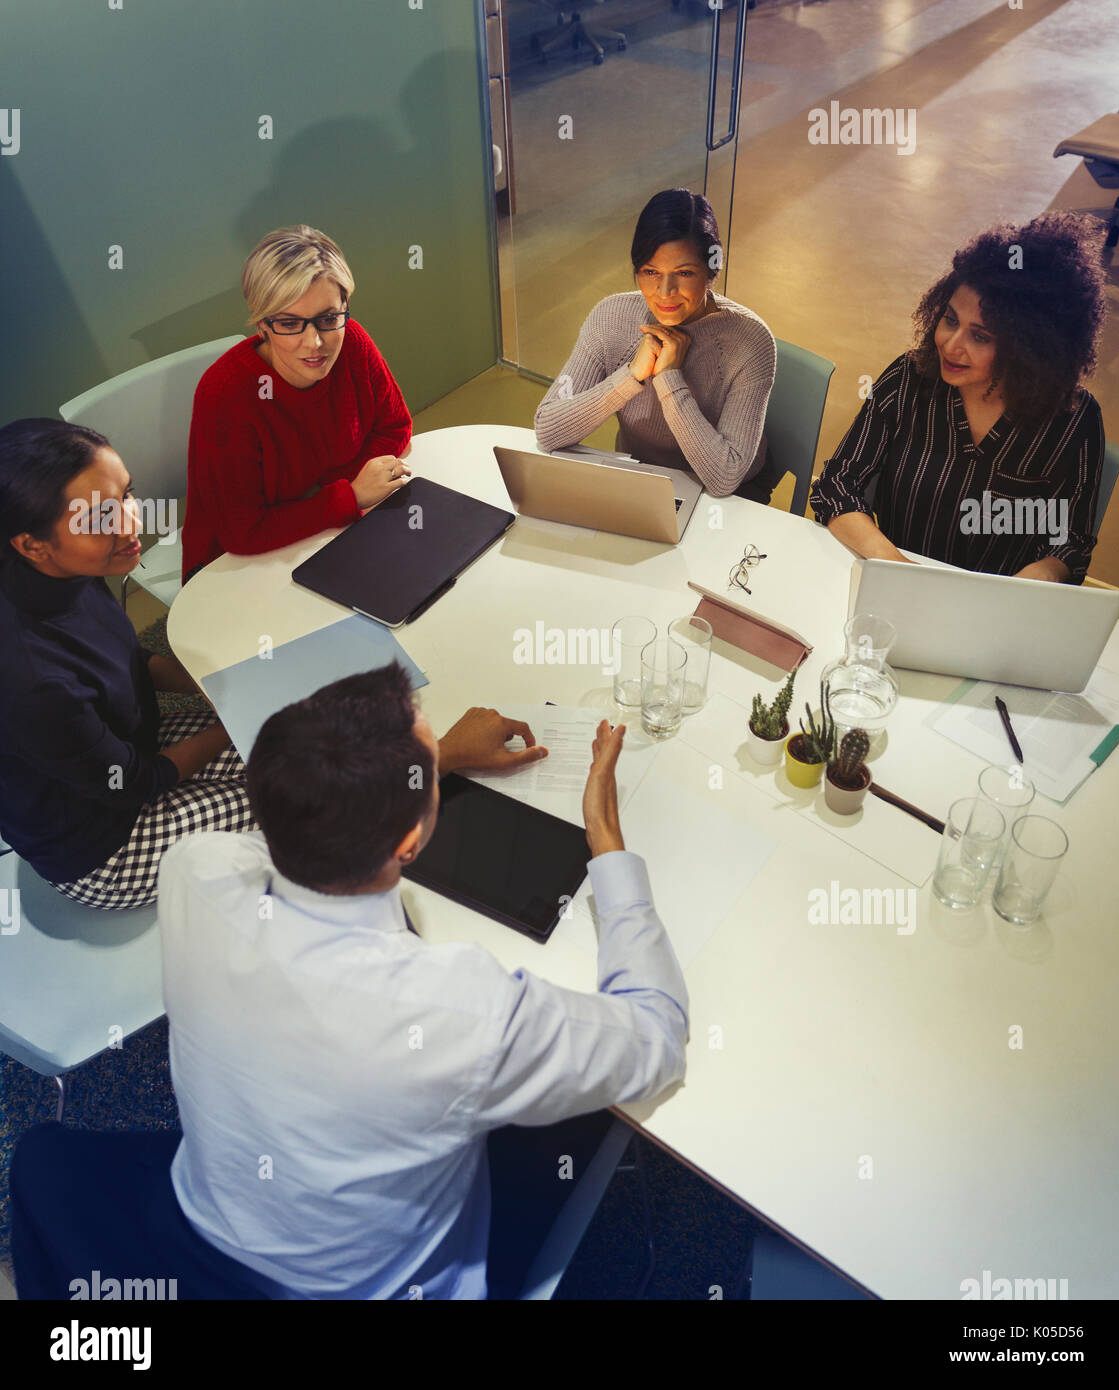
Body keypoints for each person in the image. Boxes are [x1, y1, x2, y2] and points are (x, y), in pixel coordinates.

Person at [157, 664, 689, 1299]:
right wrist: (606, 840)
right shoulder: (456, 1010)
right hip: (373, 1281)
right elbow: (657, 1038)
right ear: (410, 839)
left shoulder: (193, 867)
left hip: (208, 1211)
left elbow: (299, 829)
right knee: (590, 1122)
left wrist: (432, 763)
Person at [0, 419, 253, 909]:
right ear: (32, 544)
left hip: (130, 752)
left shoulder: (68, 566)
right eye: (99, 520)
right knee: (304, 784)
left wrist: (211, 684)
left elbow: (123, 658)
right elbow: (132, 784)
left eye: (127, 496)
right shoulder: (33, 680)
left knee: (293, 737)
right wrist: (234, 720)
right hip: (104, 849)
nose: (131, 525)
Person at [809, 213, 1109, 583]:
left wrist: (1019, 590)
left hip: (999, 607)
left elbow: (1070, 543)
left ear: (1031, 349)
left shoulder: (1073, 419)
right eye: (950, 320)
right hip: (896, 580)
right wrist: (897, 567)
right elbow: (837, 484)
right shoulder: (910, 377)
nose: (951, 346)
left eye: (980, 337)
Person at [180, 225, 413, 582]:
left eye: (328, 318)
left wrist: (336, 496)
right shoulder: (225, 394)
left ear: (345, 306)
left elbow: (395, 425)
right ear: (262, 323)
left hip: (331, 531)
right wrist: (347, 496)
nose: (315, 342)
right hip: (235, 566)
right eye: (289, 323)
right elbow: (244, 532)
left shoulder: (352, 341)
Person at [534, 188, 779, 501]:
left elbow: (724, 477)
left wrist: (669, 379)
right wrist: (631, 376)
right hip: (643, 477)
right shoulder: (611, 318)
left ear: (711, 271)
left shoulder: (751, 341)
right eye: (650, 272)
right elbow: (548, 429)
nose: (665, 291)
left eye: (684, 273)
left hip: (730, 495)